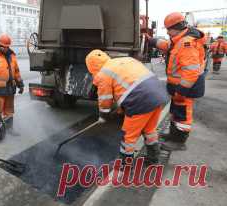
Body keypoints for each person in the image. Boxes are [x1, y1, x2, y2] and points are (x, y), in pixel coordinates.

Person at [85, 49, 168, 166]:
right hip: (158, 94)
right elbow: (126, 87)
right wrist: (120, 109)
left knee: (129, 136)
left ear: (92, 67)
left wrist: (104, 115)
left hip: (140, 100)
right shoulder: (125, 60)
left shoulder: (104, 73)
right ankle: (153, 158)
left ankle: (125, 164)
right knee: (149, 130)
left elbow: (105, 98)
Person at [148, 12, 207, 151]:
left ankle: (179, 142)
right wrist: (153, 41)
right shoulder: (179, 39)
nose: (167, 32)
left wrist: (181, 90)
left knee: (183, 115)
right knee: (176, 111)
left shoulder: (187, 44)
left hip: (185, 87)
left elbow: (191, 71)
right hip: (180, 85)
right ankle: (173, 136)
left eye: (168, 29)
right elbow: (168, 46)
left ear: (177, 27)